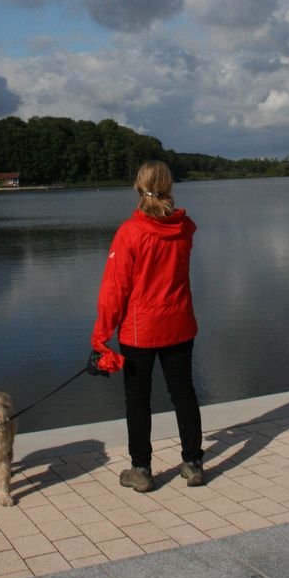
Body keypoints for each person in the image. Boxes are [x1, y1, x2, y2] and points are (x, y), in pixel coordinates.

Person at [88, 160, 204, 492]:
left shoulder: (131, 232)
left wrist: (100, 338)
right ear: (169, 187)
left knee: (138, 398)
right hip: (179, 323)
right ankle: (193, 463)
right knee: (183, 392)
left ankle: (141, 470)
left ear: (138, 187)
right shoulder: (185, 229)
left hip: (140, 330)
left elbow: (114, 289)